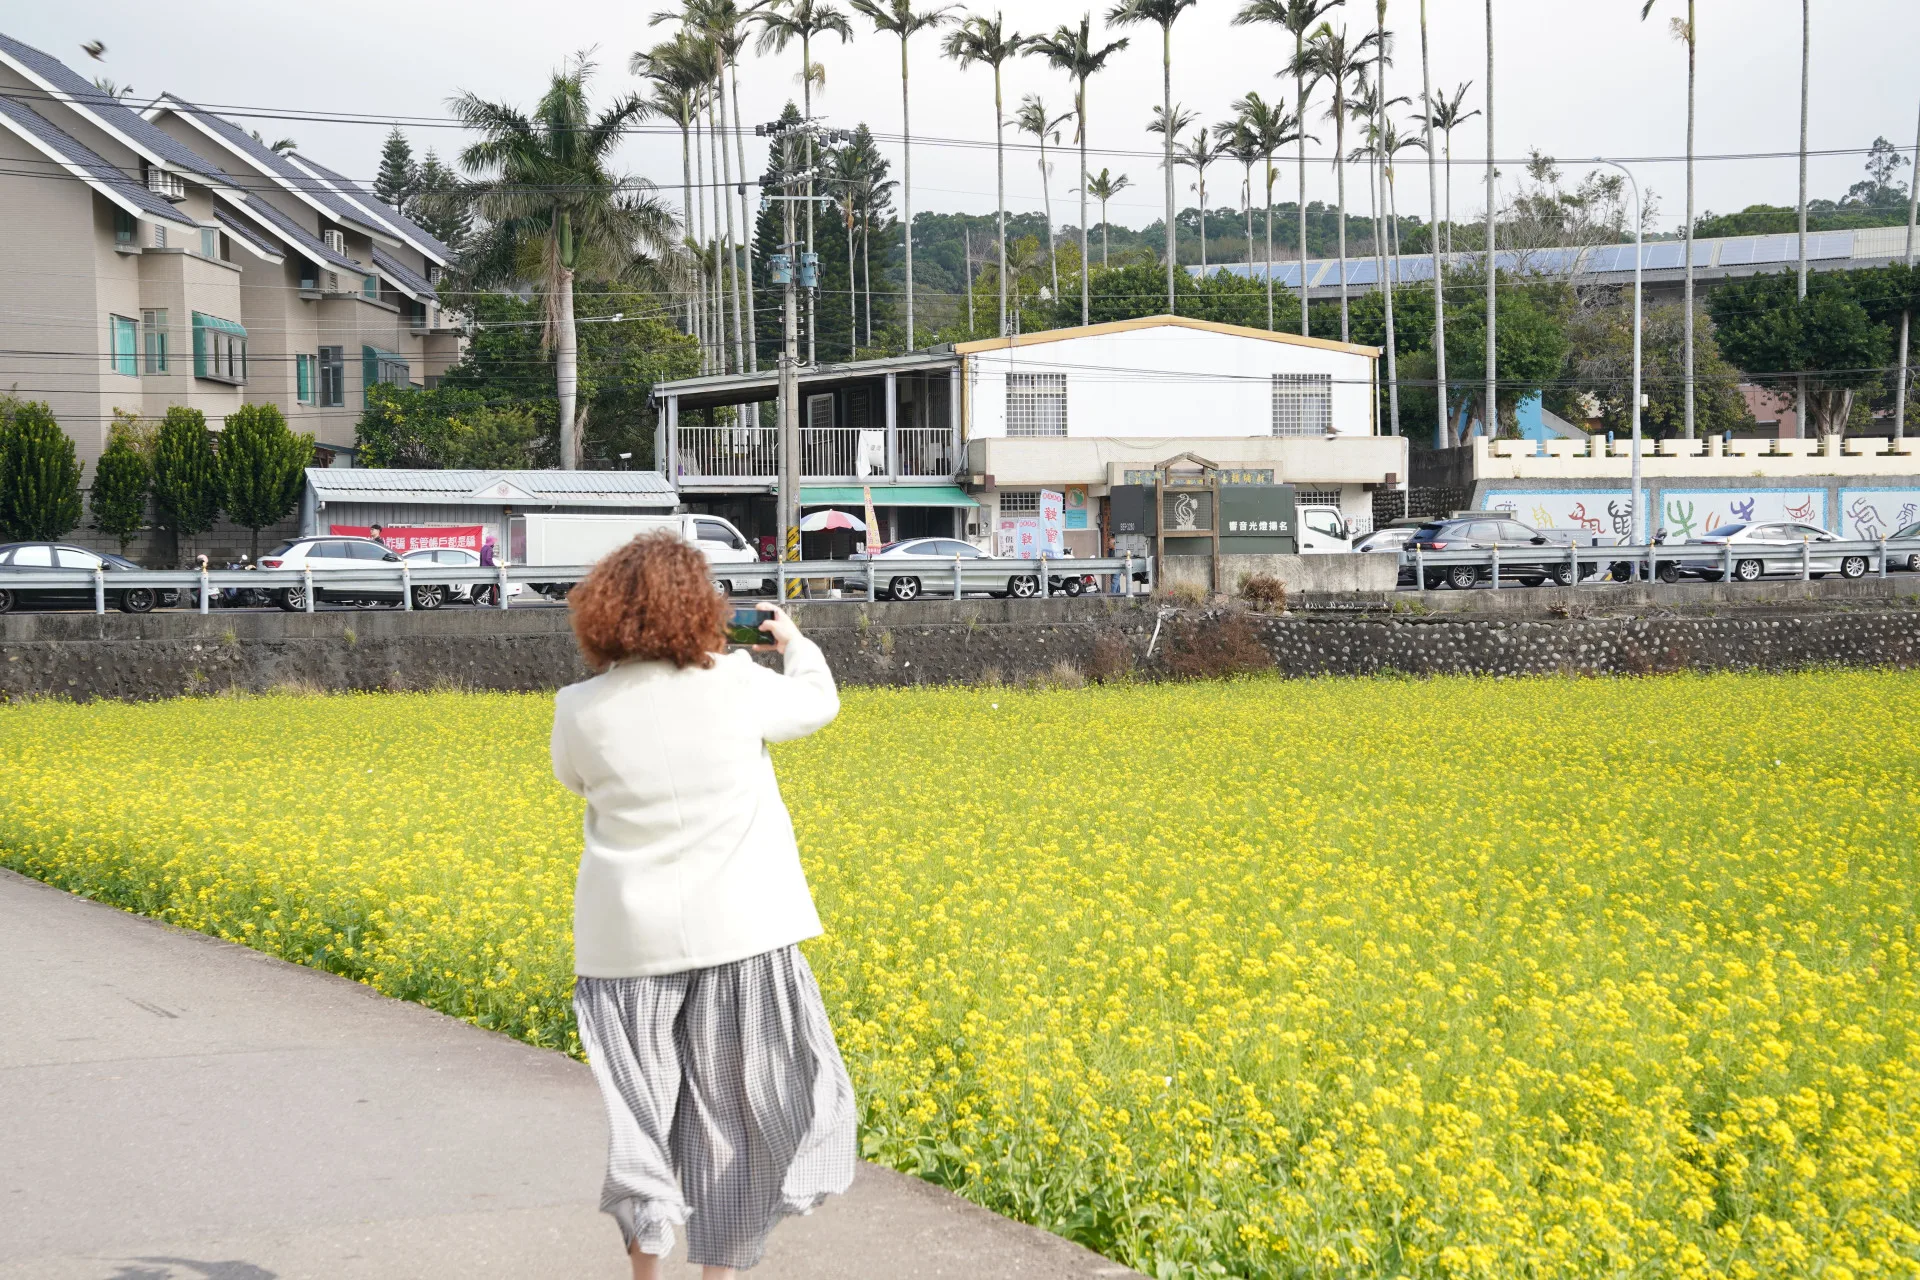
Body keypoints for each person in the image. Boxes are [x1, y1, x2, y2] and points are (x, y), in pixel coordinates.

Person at [550, 533, 855, 1279]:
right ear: (702, 608)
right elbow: (818, 705)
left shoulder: (579, 707)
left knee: (642, 1121)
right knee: (736, 1121)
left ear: (604, 614)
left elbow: (575, 781)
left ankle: (646, 1270)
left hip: (627, 943)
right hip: (742, 934)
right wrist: (795, 642)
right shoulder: (738, 681)